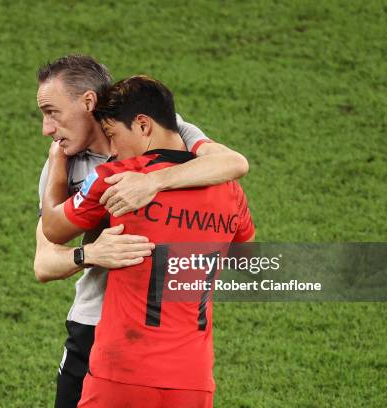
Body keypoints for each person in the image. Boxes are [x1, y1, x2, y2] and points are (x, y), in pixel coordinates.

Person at [35, 55, 249, 408]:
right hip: (99, 327)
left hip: (154, 343)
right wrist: (89, 253)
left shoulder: (168, 128)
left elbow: (234, 163)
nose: (46, 128)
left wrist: (151, 182)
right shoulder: (60, 166)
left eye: (51, 112)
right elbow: (43, 261)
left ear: (88, 102)